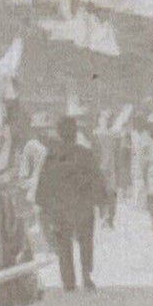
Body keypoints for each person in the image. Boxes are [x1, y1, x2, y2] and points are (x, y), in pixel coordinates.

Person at [35, 115, 106, 291]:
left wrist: (44, 205)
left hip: (61, 209)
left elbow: (45, 183)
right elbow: (96, 179)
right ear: (75, 133)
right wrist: (101, 201)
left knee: (64, 244)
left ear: (59, 133)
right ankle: (86, 276)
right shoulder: (86, 154)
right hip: (83, 207)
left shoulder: (52, 156)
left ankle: (68, 281)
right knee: (86, 242)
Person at [93, 109, 121, 227]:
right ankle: (104, 217)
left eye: (108, 119)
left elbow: (117, 151)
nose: (106, 121)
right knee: (102, 193)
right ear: (99, 120)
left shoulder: (113, 134)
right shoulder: (96, 133)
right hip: (100, 167)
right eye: (103, 118)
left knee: (112, 194)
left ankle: (109, 219)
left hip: (111, 167)